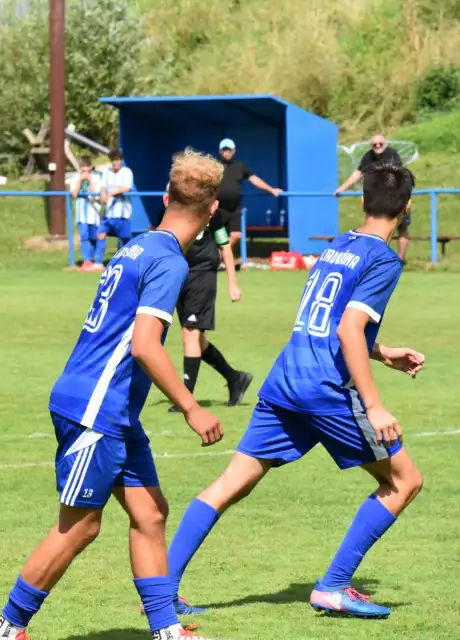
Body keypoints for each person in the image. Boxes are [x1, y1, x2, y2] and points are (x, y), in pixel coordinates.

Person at [0, 149, 226, 640]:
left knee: (150, 511)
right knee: (81, 525)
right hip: (96, 407)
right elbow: (144, 346)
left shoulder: (136, 246)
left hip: (110, 408)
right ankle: (6, 628)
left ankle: (166, 630)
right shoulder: (169, 262)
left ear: (164, 197)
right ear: (213, 208)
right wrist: (192, 407)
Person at [167, 162, 424, 620]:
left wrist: (382, 352)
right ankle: (334, 586)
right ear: (407, 209)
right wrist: (375, 406)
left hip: (287, 378)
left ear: (363, 201)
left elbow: (329, 321)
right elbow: (347, 329)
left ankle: (160, 587)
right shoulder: (384, 258)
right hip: (325, 387)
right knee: (405, 481)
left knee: (231, 483)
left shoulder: (339, 245)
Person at [169, 184, 253, 411]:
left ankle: (185, 398)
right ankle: (235, 378)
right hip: (182, 279)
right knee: (198, 341)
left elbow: (225, 248)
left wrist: (232, 284)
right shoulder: (176, 216)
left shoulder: (212, 217)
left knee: (190, 335)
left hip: (203, 278)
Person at [336, 135, 410, 261]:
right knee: (377, 226)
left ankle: (400, 258)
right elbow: (359, 173)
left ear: (385, 144)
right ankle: (379, 256)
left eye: (380, 144)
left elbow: (398, 175)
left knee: (401, 227)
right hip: (378, 198)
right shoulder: (368, 156)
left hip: (395, 197)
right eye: (374, 144)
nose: (377, 146)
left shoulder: (392, 154)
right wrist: (343, 187)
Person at [215, 138, 282, 252]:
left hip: (234, 208)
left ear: (234, 151)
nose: (227, 152)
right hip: (217, 208)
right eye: (225, 149)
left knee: (236, 235)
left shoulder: (240, 166)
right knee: (216, 238)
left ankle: (219, 257)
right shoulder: (214, 165)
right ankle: (217, 260)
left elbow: (255, 180)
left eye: (229, 149)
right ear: (220, 151)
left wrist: (271, 189)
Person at [94, 149, 133, 267]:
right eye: (113, 160)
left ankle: (126, 262)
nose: (115, 163)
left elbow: (127, 188)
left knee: (124, 238)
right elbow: (102, 186)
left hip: (122, 211)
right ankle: (98, 263)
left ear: (121, 160)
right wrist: (102, 195)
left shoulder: (127, 172)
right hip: (109, 211)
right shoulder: (107, 171)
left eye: (117, 160)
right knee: (101, 233)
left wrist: (111, 194)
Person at [70, 156, 103, 272]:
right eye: (82, 170)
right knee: (83, 236)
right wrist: (80, 181)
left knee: (94, 237)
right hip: (81, 213)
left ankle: (94, 260)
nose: (85, 173)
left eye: (86, 170)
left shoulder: (97, 177)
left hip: (93, 213)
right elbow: (73, 194)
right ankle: (86, 261)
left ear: (90, 167)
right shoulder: (75, 178)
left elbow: (96, 194)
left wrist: (89, 181)